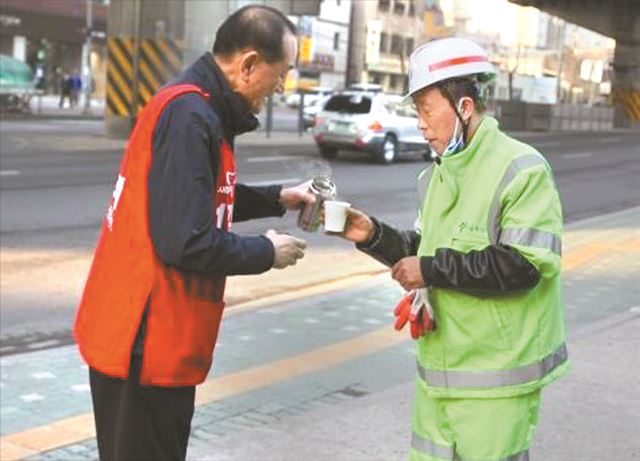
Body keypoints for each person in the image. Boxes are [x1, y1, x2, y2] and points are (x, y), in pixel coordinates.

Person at [74, 6, 312, 460]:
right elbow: (185, 239)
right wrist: (266, 252)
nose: (280, 87)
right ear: (247, 64)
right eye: (280, 74)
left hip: (154, 340)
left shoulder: (201, 109)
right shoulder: (190, 117)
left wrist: (279, 197)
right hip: (142, 343)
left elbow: (201, 194)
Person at [332, 37, 568, 461]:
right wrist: (370, 234)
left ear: (463, 107)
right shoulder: (437, 176)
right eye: (416, 112)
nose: (420, 124)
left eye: (425, 110)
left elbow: (523, 266)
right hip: (438, 377)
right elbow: (424, 250)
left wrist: (432, 271)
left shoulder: (522, 169)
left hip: (496, 384)